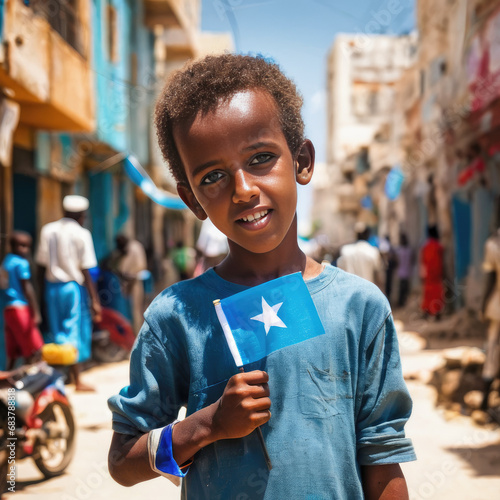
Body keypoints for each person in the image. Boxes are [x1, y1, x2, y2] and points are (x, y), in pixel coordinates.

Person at [107, 54, 416, 499]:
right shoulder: (176, 315)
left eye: (261, 158)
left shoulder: (359, 307)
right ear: (193, 201)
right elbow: (122, 461)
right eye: (212, 176)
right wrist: (206, 425)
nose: (244, 189)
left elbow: (382, 456)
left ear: (302, 162)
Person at [36, 195, 102, 391]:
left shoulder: (48, 230)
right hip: (72, 288)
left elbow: (40, 265)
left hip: (51, 287)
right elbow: (85, 270)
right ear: (81, 215)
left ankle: (55, 379)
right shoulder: (82, 233)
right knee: (72, 331)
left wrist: (41, 293)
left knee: (56, 331)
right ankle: (76, 380)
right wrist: (95, 299)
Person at [0, 231, 44, 369]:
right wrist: (36, 311)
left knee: (13, 349)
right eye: (21, 246)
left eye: (27, 246)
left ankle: (9, 381)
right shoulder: (21, 263)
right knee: (34, 347)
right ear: (12, 245)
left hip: (8, 310)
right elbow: (27, 288)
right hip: (21, 309)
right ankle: (31, 381)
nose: (25, 250)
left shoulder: (6, 262)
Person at [109, 234, 148, 334]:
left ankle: (137, 335)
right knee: (125, 311)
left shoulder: (135, 247)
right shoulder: (122, 250)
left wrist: (129, 275)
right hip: (123, 284)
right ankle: (128, 334)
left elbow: (141, 266)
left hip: (134, 283)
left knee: (135, 310)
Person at [480, 228, 500, 410]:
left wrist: (483, 305)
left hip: (496, 305)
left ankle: (485, 400)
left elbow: (490, 279)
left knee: (492, 347)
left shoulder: (494, 243)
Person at [336, 221, 383, 286]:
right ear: (368, 235)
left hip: (350, 289)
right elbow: (378, 276)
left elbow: (340, 269)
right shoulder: (373, 252)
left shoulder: (345, 250)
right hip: (367, 290)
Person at [419, 225, 444, 320]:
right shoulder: (439, 246)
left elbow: (423, 262)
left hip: (428, 274)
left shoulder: (425, 246)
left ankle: (426, 311)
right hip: (437, 274)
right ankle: (437, 312)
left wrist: (422, 273)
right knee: (437, 292)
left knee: (427, 292)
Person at [396, 233, 413, 308]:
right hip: (407, 272)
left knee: (402, 289)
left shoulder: (400, 250)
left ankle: (401, 303)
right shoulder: (409, 250)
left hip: (401, 272)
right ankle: (403, 302)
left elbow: (397, 261)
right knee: (405, 289)